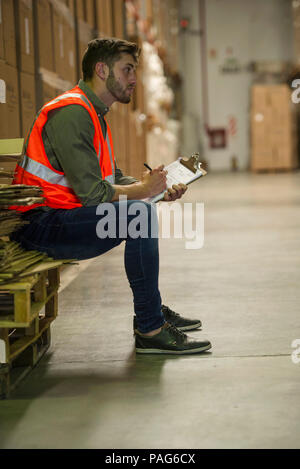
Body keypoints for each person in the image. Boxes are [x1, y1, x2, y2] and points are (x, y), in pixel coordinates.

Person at [11, 38, 212, 355]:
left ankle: (152, 311)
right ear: (101, 70)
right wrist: (143, 192)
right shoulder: (72, 113)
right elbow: (94, 195)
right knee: (139, 216)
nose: (134, 79)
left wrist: (157, 188)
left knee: (142, 210)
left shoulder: (93, 113)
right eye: (128, 69)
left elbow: (112, 179)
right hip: (41, 226)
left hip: (62, 219)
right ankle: (150, 326)